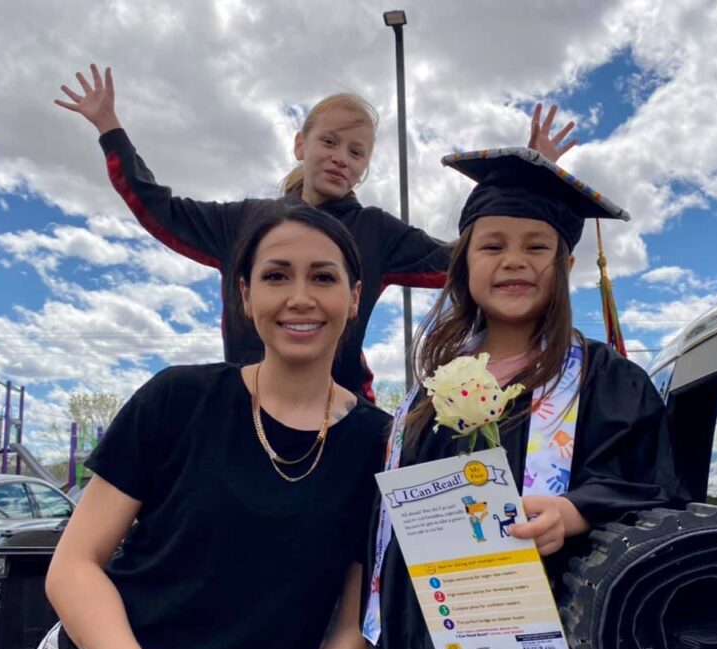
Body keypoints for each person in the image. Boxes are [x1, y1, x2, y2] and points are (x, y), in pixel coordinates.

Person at [10, 204, 388, 649]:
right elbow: (74, 565)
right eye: (276, 276)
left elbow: (354, 618)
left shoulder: (380, 443)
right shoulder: (177, 397)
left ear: (354, 297)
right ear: (246, 297)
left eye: (322, 277)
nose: (300, 298)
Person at [360, 148, 688, 649]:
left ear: (565, 266)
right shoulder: (428, 391)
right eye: (492, 246)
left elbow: (656, 494)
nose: (514, 261)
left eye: (536, 247)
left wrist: (574, 511)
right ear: (462, 264)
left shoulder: (608, 383)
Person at [54, 65, 577, 400]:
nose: (339, 159)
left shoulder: (375, 231)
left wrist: (529, 183)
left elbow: (465, 260)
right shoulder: (245, 222)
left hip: (340, 401)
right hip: (248, 397)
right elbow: (158, 208)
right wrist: (110, 131)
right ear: (301, 144)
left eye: (356, 153)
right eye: (329, 143)